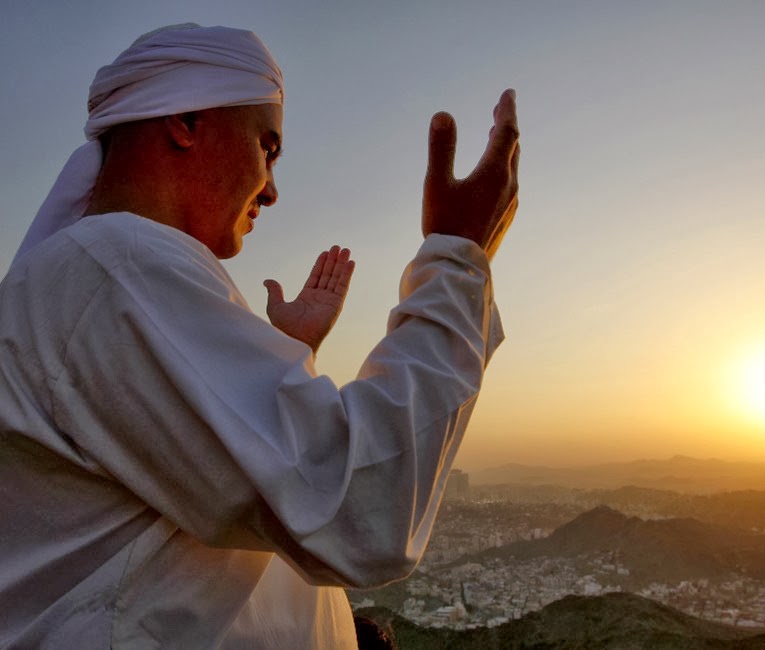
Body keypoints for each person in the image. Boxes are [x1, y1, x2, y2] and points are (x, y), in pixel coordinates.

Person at [0, 23, 518, 649]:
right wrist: (458, 260)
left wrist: (293, 361)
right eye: (267, 147)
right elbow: (363, 508)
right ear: (185, 121)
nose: (272, 189)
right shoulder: (116, 264)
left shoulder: (101, 276)